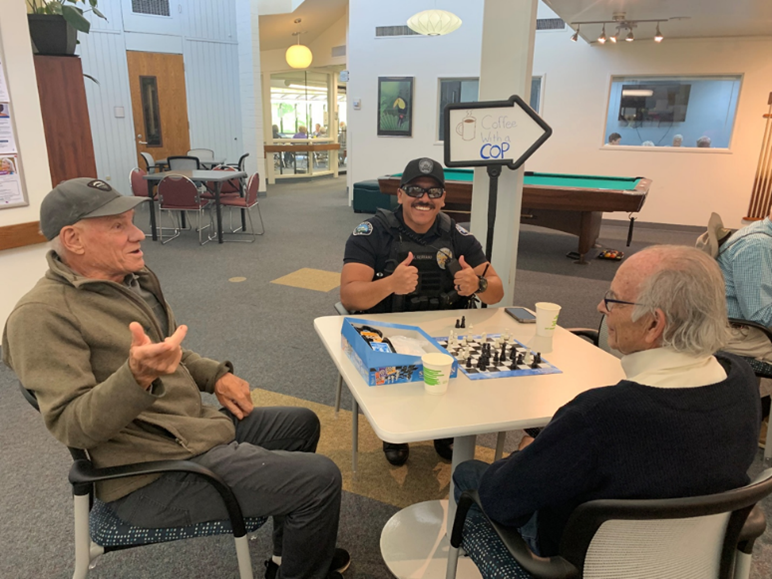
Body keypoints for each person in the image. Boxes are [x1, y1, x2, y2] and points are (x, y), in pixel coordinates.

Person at [2, 178, 349, 579]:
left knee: (301, 424)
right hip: (151, 473)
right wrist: (135, 379)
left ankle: (288, 559)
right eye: (118, 226)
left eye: (132, 221)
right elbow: (72, 426)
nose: (138, 233)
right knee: (320, 479)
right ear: (73, 239)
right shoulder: (40, 317)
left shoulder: (131, 279)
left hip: (188, 429)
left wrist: (215, 377)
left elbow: (168, 352)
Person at [453, 245, 760, 568]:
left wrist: (533, 451)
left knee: (469, 475)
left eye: (613, 300)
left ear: (654, 325)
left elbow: (500, 500)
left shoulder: (599, 417)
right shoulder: (741, 378)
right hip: (693, 559)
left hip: (580, 560)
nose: (600, 307)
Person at [341, 157, 504, 466]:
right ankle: (395, 433)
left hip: (445, 332)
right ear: (400, 194)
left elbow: (496, 290)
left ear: (443, 198)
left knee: (474, 366)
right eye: (415, 189)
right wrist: (390, 284)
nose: (424, 198)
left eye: (433, 192)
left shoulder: (458, 236)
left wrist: (478, 283)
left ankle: (445, 431)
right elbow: (349, 295)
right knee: (399, 383)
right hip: (388, 332)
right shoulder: (372, 232)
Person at [717, 207, 772, 402]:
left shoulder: (763, 233)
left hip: (743, 326)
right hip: (738, 333)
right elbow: (760, 315)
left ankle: (759, 404)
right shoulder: (758, 245)